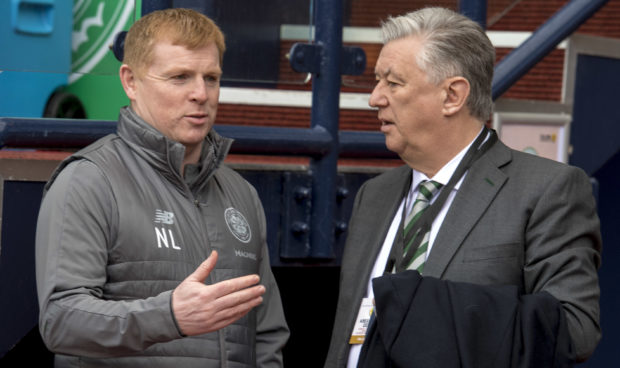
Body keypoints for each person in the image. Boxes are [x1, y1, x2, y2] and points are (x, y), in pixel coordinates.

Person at [324, 7, 601, 368]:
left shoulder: (547, 190)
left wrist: (430, 309)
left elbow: (576, 329)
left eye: (393, 83)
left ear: (453, 96)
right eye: (378, 82)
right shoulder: (373, 196)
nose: (375, 98)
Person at [35, 8, 289, 367]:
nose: (201, 94)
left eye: (211, 78)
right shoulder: (89, 180)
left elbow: (265, 337)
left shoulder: (240, 193)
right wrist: (167, 317)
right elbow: (59, 320)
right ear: (131, 82)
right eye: (180, 77)